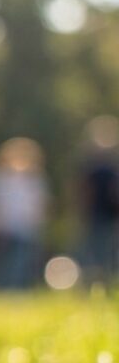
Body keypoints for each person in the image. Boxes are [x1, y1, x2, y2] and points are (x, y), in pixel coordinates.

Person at [0, 138, 49, 289]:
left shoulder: (35, 178)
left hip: (28, 228)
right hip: (6, 228)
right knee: (5, 261)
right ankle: (3, 287)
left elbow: (40, 204)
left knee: (23, 261)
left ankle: (18, 288)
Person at [79, 116, 119, 284]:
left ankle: (106, 280)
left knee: (109, 250)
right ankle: (95, 281)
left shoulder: (113, 166)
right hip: (96, 214)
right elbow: (85, 191)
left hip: (111, 215)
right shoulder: (91, 166)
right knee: (96, 250)